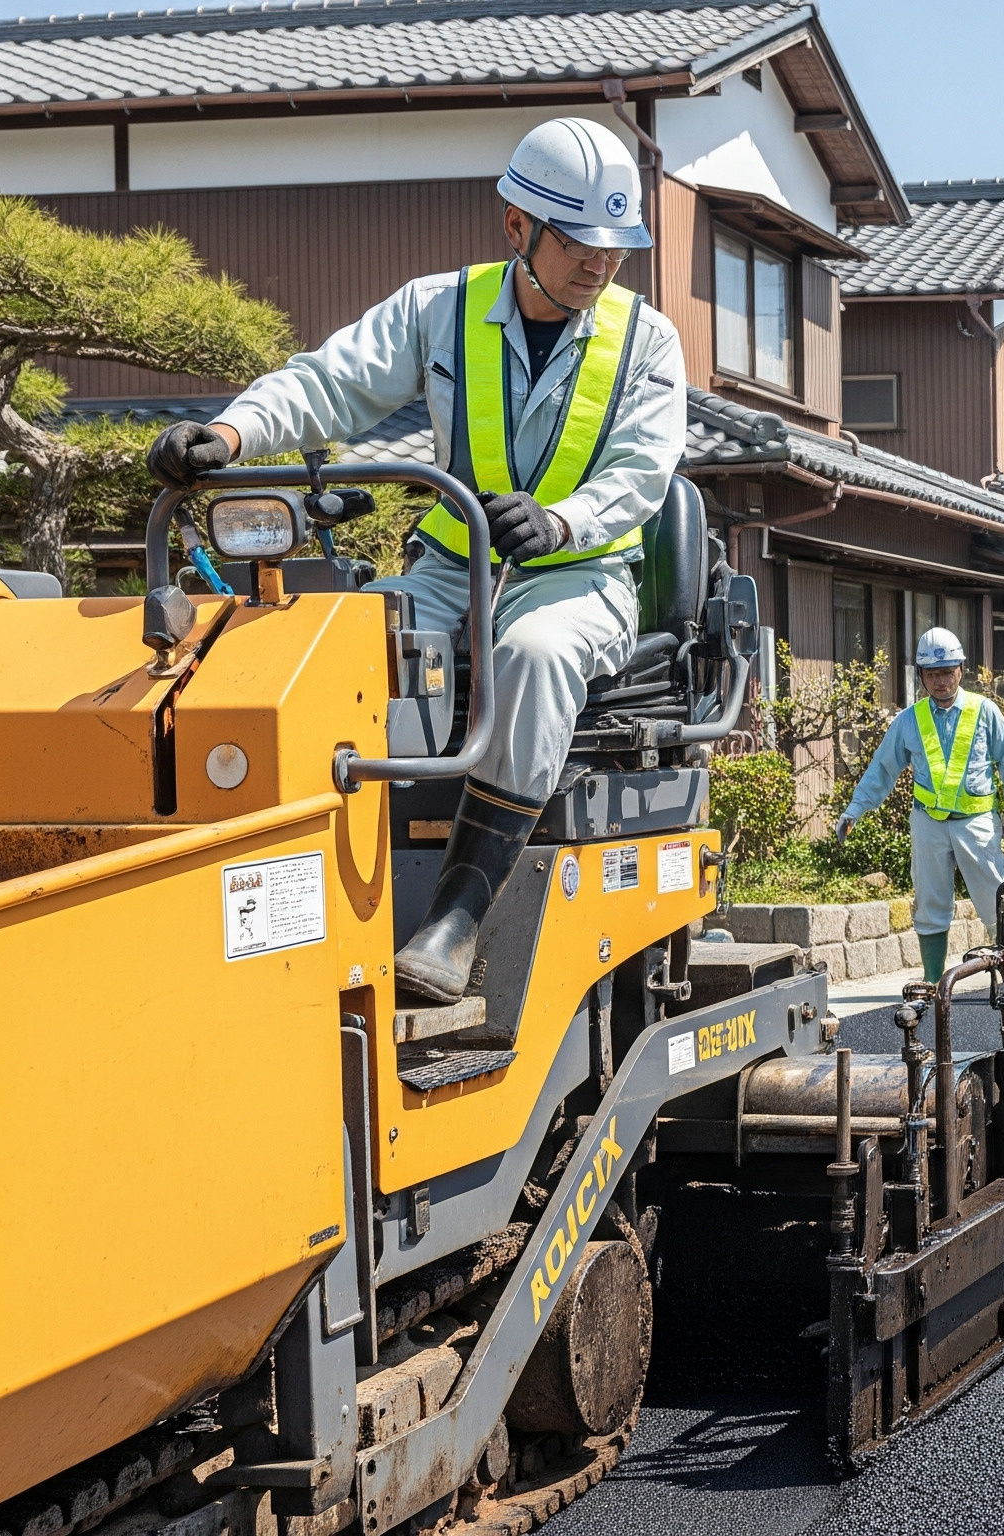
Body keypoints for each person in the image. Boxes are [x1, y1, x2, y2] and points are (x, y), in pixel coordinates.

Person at [144, 117, 684, 1006]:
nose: (602, 265)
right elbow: (331, 383)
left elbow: (641, 471)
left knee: (537, 655)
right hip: (452, 558)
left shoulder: (646, 340)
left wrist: (562, 522)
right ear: (518, 228)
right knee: (348, 639)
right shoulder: (441, 307)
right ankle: (304, 881)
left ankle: (458, 912)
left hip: (581, 571)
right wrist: (229, 431)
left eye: (616, 247)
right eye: (581, 242)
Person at [836, 627, 1004, 987]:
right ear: (921, 677)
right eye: (932, 674)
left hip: (977, 822)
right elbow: (883, 768)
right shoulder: (910, 720)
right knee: (929, 902)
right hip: (928, 823)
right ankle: (932, 979)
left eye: (947, 672)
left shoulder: (984, 711)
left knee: (996, 899)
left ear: (961, 669)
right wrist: (855, 810)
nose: (940, 681)